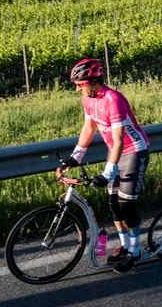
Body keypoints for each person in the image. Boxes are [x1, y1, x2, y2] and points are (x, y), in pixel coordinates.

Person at [62, 58, 150, 272]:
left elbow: (119, 140)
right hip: (116, 152)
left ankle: (135, 251)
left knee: (126, 204)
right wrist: (76, 157)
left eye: (80, 84)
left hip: (134, 151)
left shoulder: (114, 99)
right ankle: (125, 245)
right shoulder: (88, 100)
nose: (78, 89)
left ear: (93, 81)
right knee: (113, 203)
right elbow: (88, 129)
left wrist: (108, 172)